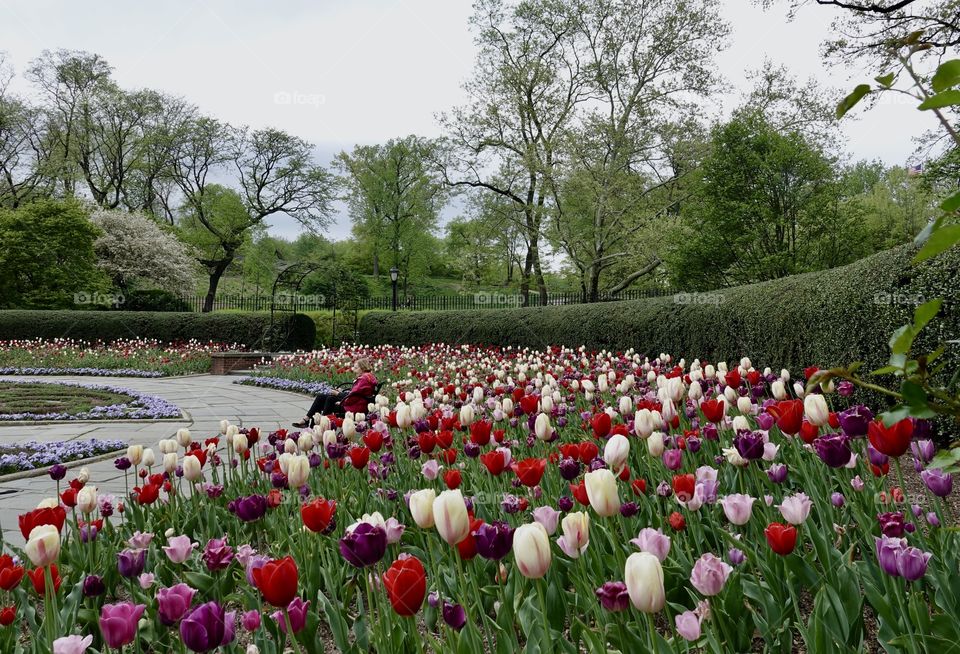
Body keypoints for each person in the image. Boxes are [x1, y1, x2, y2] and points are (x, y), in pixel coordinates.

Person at [293, 358, 377, 427]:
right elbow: (356, 394)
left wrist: (339, 397)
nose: (353, 370)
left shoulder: (363, 379)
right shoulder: (367, 377)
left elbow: (354, 395)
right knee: (321, 397)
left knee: (331, 399)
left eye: (356, 368)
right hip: (356, 403)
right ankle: (307, 420)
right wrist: (340, 393)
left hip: (354, 407)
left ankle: (323, 424)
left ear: (362, 368)